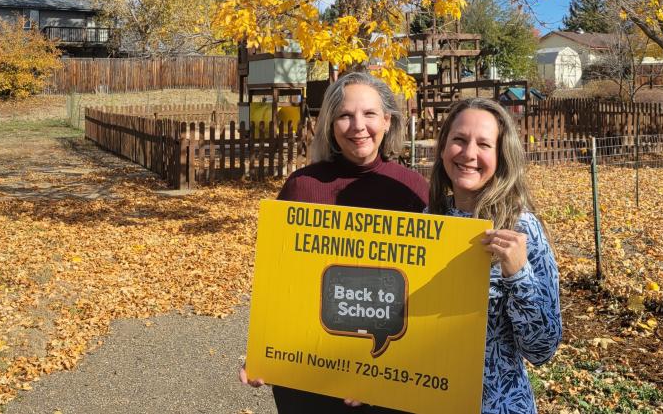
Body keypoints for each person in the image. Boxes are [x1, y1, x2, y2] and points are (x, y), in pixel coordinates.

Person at [240, 71, 427, 413]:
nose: (358, 126)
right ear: (330, 124)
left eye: (369, 114)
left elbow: (425, 288)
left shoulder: (414, 190)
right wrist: (264, 348)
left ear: (387, 119)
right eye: (345, 115)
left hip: (388, 371)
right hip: (309, 371)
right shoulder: (302, 186)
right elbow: (281, 278)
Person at [427, 97, 561, 414]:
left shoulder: (522, 229)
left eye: (483, 144)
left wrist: (519, 274)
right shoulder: (429, 220)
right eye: (459, 140)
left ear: (501, 156)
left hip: (498, 405)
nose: (468, 153)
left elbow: (542, 349)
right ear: (444, 148)